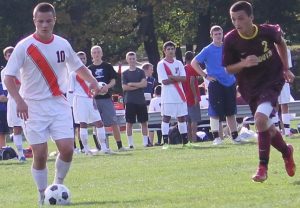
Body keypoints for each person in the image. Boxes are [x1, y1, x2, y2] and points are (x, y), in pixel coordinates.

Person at [3, 3, 102, 205]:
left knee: (67, 149)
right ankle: (42, 194)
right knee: (40, 154)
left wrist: (93, 82)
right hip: (32, 106)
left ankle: (56, 186)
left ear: (54, 20)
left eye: (48, 21)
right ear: (34, 21)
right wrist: (19, 101)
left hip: (59, 104)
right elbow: (8, 77)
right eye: (40, 21)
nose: (44, 25)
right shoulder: (24, 46)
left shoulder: (63, 44)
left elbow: (78, 66)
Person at [223, 1, 295, 182]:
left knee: (260, 120)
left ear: (251, 18)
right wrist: (244, 63)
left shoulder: (267, 31)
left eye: (241, 18)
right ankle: (287, 151)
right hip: (249, 87)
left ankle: (262, 167)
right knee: (266, 127)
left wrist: (286, 68)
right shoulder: (231, 39)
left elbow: (281, 44)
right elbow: (228, 69)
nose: (237, 22)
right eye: (233, 19)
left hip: (272, 80)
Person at [191, 25, 242, 145]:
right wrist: (205, 75)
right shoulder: (207, 49)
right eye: (216, 34)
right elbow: (194, 62)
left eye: (220, 33)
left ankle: (234, 136)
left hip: (229, 82)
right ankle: (216, 138)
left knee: (231, 111)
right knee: (215, 111)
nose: (218, 36)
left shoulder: (228, 47)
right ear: (212, 36)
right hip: (216, 83)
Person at [88, 45, 127, 151]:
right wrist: (93, 90)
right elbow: (87, 84)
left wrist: (107, 87)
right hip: (94, 100)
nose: (96, 54)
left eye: (98, 52)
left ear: (101, 53)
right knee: (97, 123)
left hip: (106, 98)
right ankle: (100, 147)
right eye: (94, 52)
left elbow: (114, 80)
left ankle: (120, 146)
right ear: (91, 54)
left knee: (113, 122)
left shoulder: (107, 66)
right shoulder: (89, 69)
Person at [68, 70, 113, 155]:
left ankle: (104, 148)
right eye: (80, 58)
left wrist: (96, 92)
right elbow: (71, 91)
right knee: (83, 124)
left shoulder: (88, 71)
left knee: (99, 123)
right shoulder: (73, 74)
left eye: (84, 58)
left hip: (90, 99)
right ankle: (86, 149)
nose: (82, 60)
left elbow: (92, 87)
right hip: (80, 100)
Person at [157, 41, 188, 149]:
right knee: (166, 118)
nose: (170, 51)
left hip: (180, 95)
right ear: (164, 51)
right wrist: (177, 78)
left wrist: (172, 77)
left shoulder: (179, 63)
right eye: (168, 49)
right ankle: (165, 142)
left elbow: (184, 79)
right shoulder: (161, 64)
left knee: (182, 118)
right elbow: (164, 81)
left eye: (172, 49)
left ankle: (185, 141)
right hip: (168, 96)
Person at [1, 46, 26, 161]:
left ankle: (38, 152)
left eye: (12, 53)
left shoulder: (23, 67)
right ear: (5, 57)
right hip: (14, 100)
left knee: (31, 126)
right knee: (17, 127)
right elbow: (11, 88)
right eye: (8, 54)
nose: (10, 56)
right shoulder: (4, 72)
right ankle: (21, 154)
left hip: (27, 98)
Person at [122, 51, 149, 148]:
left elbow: (144, 84)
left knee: (144, 122)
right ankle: (130, 144)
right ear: (127, 60)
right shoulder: (125, 73)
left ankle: (145, 142)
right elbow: (125, 87)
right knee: (129, 123)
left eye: (133, 58)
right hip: (130, 101)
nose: (132, 60)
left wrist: (132, 84)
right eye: (130, 59)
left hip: (141, 101)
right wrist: (138, 85)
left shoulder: (141, 71)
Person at [182, 51, 201, 142]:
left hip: (184, 96)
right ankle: (194, 139)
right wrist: (195, 96)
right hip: (192, 96)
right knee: (194, 120)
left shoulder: (183, 68)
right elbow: (192, 82)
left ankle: (189, 139)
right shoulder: (192, 67)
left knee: (188, 121)